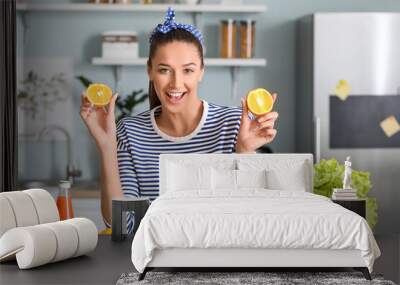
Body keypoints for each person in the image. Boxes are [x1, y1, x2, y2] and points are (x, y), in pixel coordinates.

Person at [80, 8, 279, 233]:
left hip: (220, 260)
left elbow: (250, 220)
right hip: (155, 263)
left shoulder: (233, 125)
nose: (176, 83)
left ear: (201, 72)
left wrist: (244, 152)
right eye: (165, 70)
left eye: (188, 70)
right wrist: (107, 147)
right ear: (150, 71)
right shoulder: (129, 132)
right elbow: (122, 225)